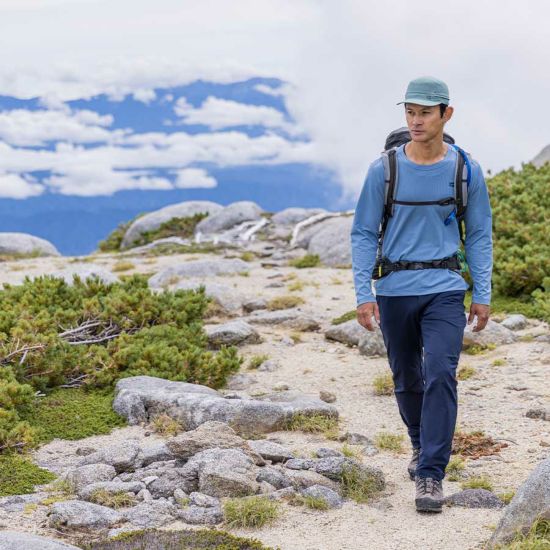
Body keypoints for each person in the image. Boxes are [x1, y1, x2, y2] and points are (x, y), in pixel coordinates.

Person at [349, 76, 493, 513]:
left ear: (446, 115)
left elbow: (480, 235)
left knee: (442, 374)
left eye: (425, 113)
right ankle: (418, 443)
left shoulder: (465, 169)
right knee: (406, 377)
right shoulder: (384, 170)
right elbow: (362, 233)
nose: (415, 120)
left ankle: (431, 474)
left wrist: (481, 293)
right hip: (393, 290)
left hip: (446, 289)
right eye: (410, 112)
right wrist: (363, 293)